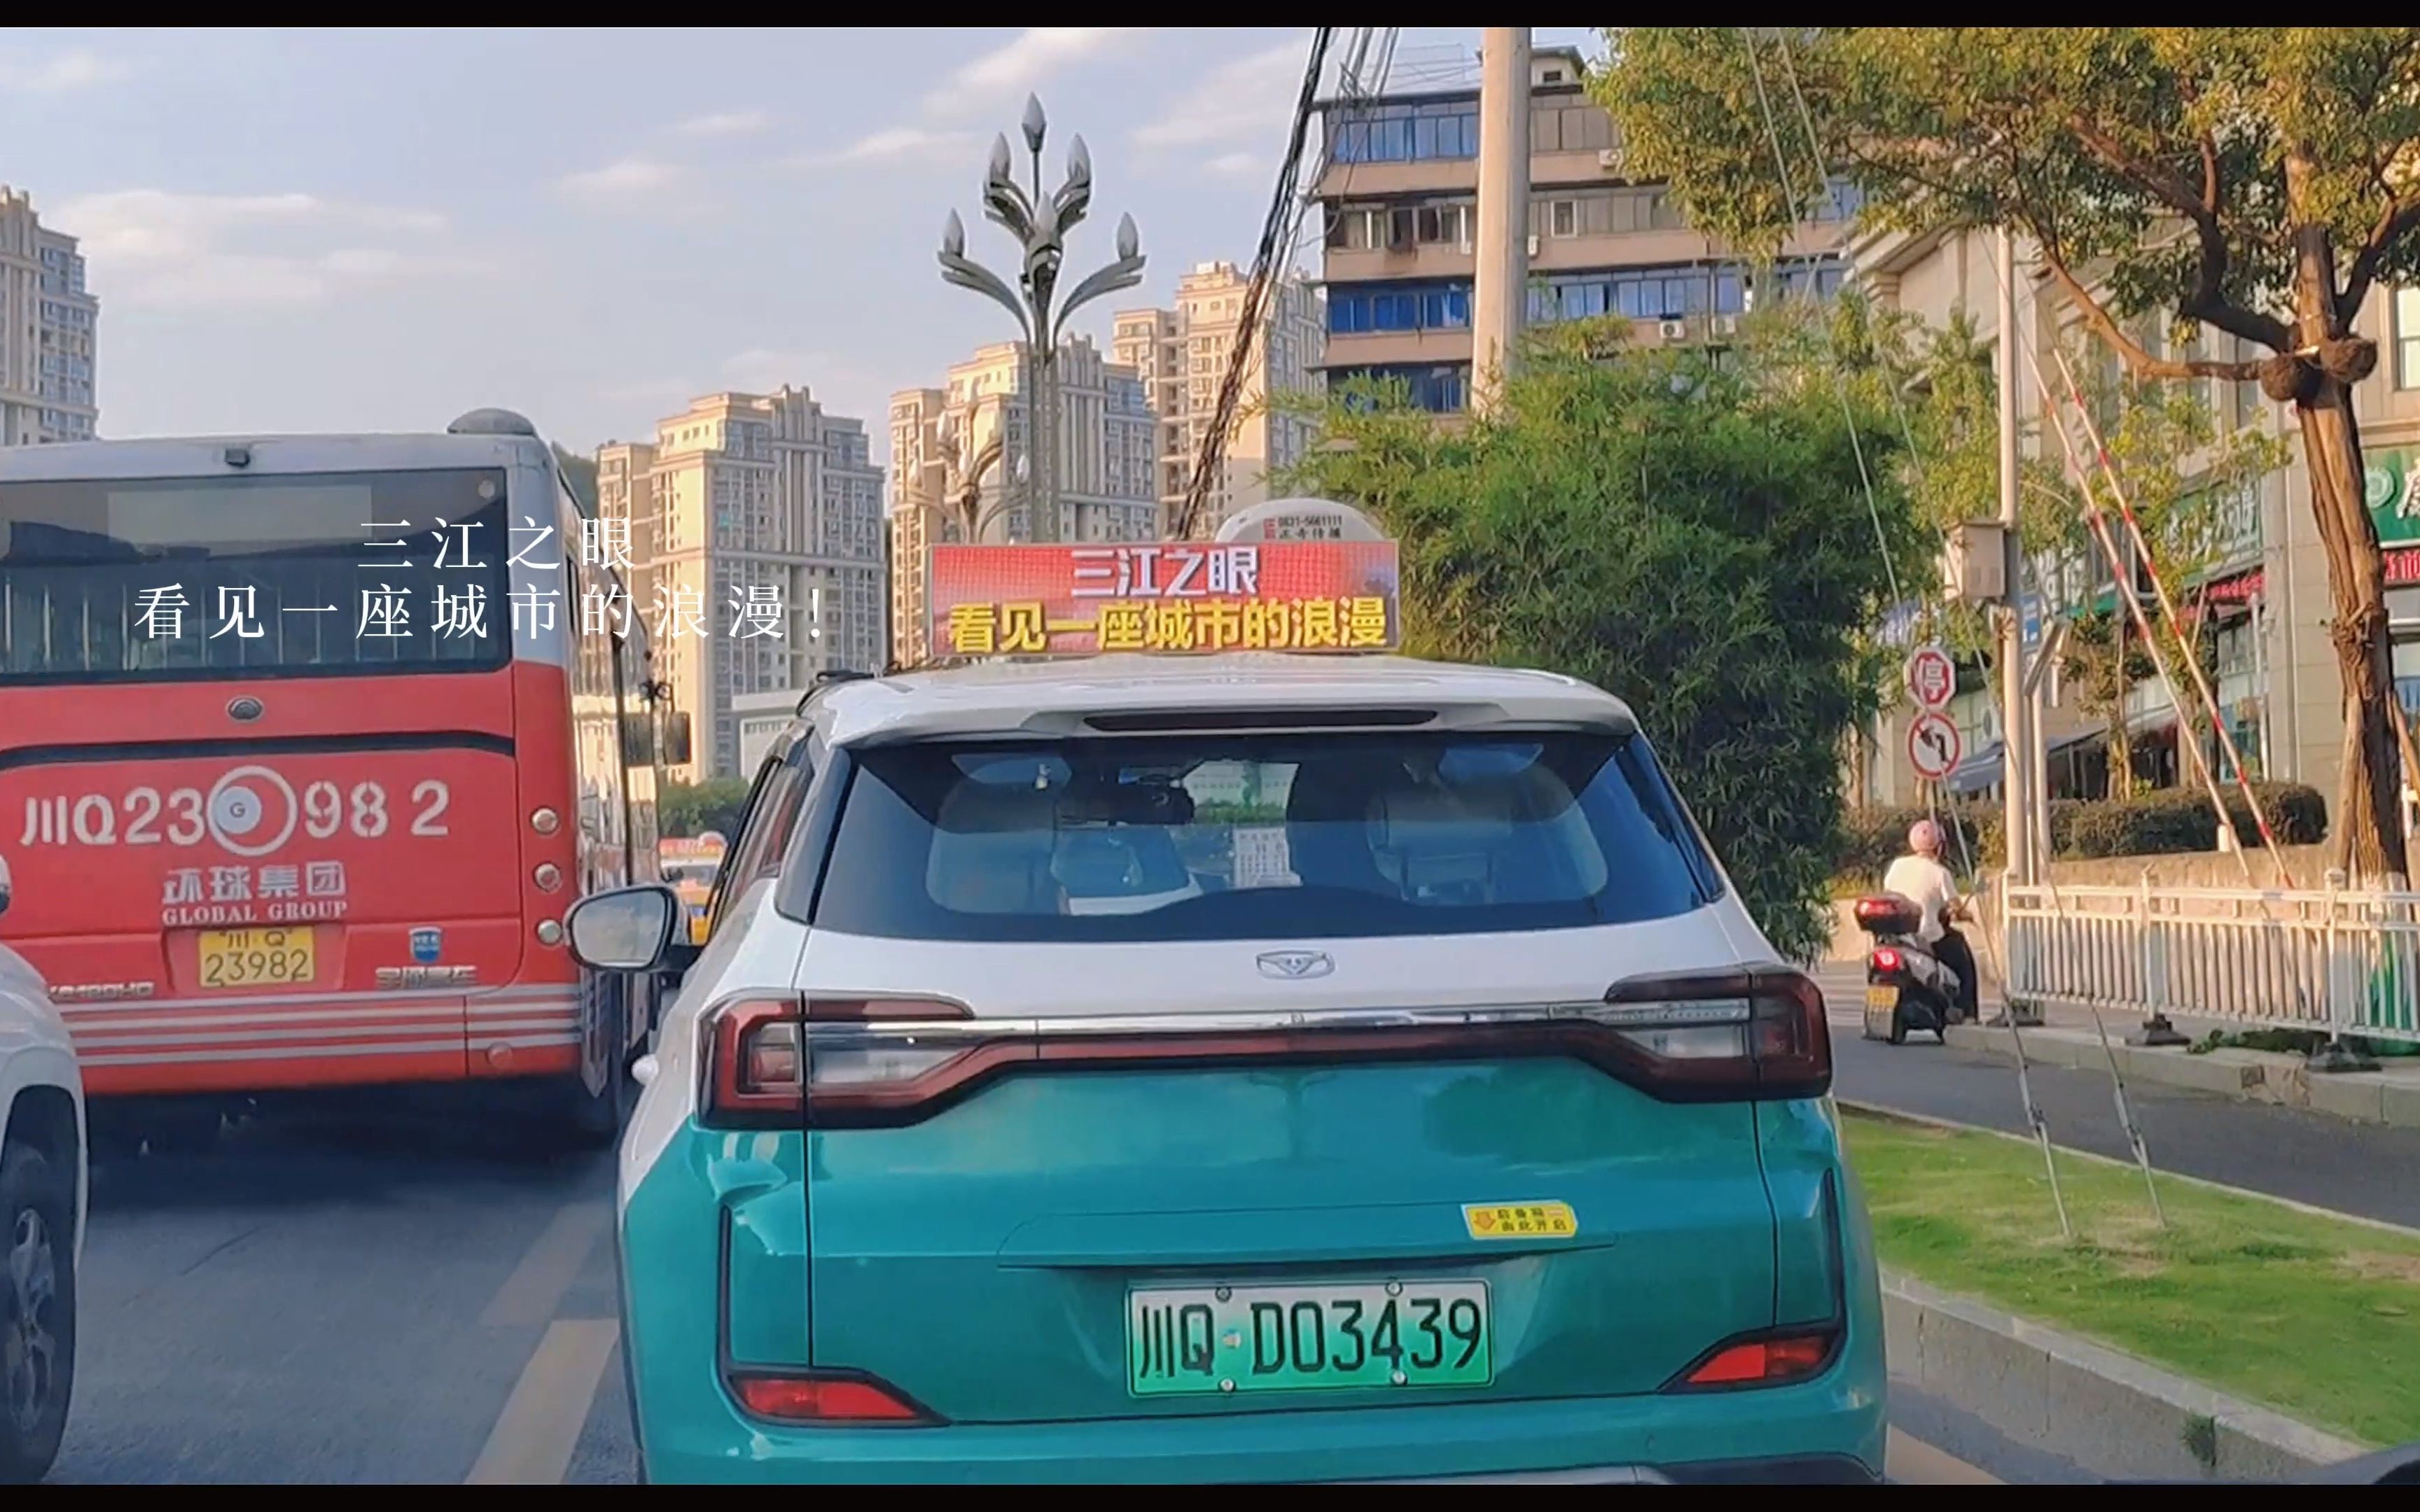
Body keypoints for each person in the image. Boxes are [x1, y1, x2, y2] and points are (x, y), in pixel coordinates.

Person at [1881, 819, 1978, 1023]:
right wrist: (1967, 916)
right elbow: (1956, 908)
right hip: (1928, 938)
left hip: (1897, 936)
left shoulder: (1898, 866)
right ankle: (1966, 1011)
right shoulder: (1940, 873)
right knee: (1964, 962)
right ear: (1939, 847)